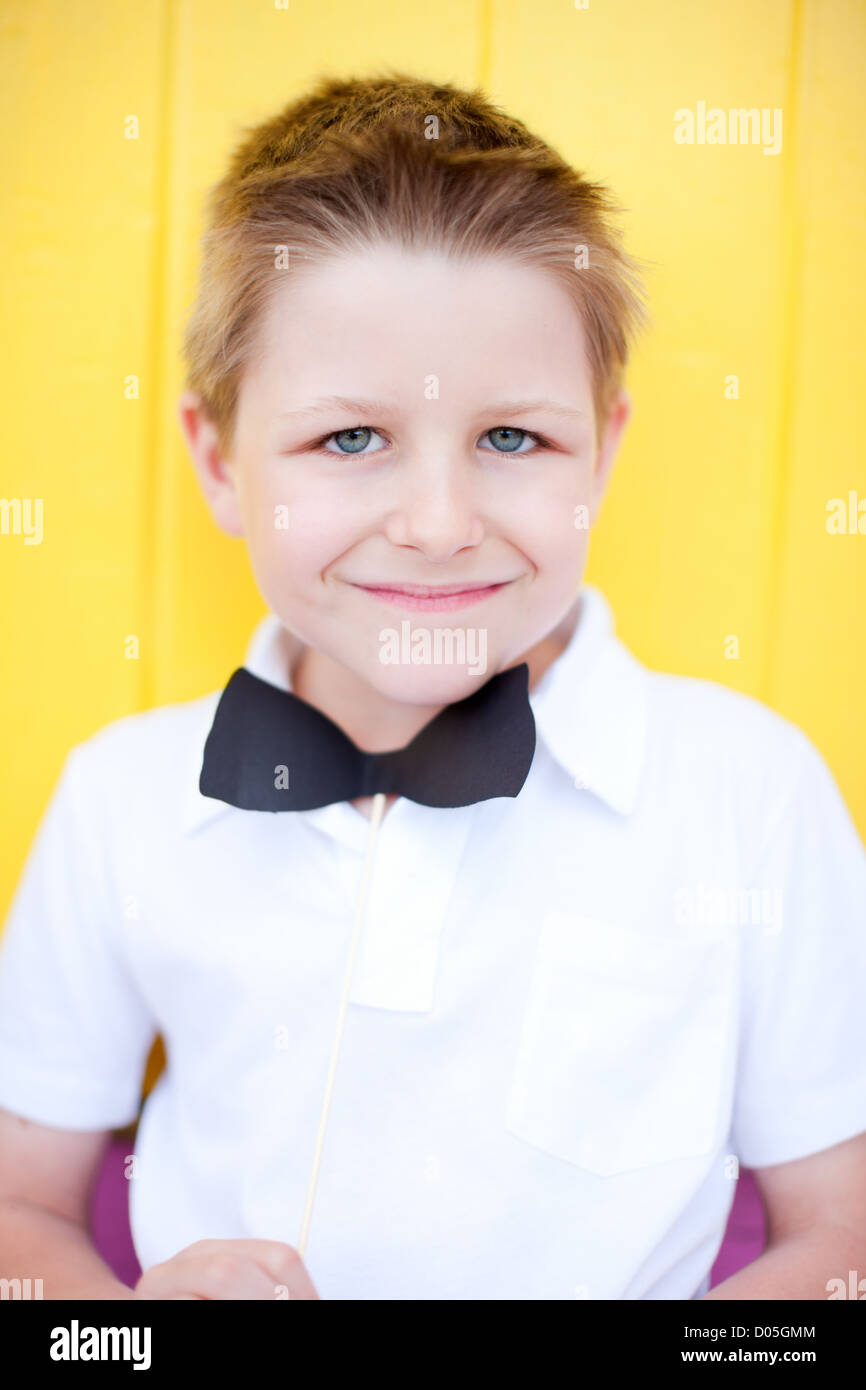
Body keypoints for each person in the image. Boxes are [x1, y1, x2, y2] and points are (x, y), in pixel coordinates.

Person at [1, 73, 865, 1301]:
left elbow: (842, 1237)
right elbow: (19, 1206)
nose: (437, 523)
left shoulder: (747, 790)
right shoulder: (121, 798)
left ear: (602, 452)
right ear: (219, 461)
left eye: (512, 438)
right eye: (348, 439)